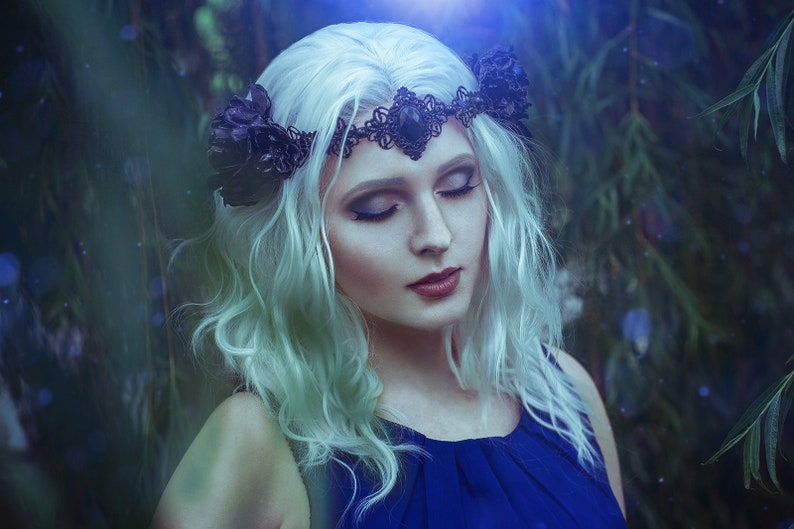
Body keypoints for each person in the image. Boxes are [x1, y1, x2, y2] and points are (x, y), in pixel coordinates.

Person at [151, 22, 627, 529]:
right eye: (378, 208)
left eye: (458, 185)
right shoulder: (254, 443)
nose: (435, 235)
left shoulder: (563, 394)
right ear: (295, 237)